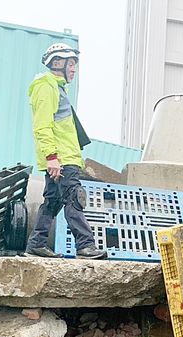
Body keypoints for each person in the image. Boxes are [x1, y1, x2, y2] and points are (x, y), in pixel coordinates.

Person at [24, 43, 107, 259]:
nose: (73, 69)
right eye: (70, 64)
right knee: (74, 199)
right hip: (60, 159)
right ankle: (85, 246)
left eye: (74, 65)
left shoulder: (58, 88)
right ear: (57, 63)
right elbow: (41, 126)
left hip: (63, 158)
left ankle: (36, 244)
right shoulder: (46, 87)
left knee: (52, 202)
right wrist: (52, 157)